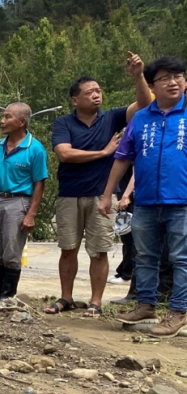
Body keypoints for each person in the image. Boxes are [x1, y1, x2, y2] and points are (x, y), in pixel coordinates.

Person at [45, 52, 151, 316]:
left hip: (103, 195)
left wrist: (139, 76)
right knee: (67, 248)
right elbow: (64, 153)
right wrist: (104, 152)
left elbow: (144, 103)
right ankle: (66, 298)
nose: (96, 94)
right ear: (74, 99)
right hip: (69, 194)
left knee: (99, 250)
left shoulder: (112, 117)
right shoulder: (63, 123)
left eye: (99, 91)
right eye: (90, 91)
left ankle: (96, 302)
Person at [99, 56, 187, 337]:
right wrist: (106, 195)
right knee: (145, 257)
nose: (173, 82)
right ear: (152, 85)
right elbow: (123, 157)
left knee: (181, 258)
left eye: (178, 76)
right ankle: (145, 305)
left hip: (182, 201)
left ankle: (178, 311)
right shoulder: (141, 118)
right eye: (164, 78)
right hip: (147, 201)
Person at [0, 103, 48, 301]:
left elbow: (39, 183)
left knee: (11, 249)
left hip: (17, 202)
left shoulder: (35, 149)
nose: (2, 121)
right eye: (3, 116)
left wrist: (31, 214)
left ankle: (7, 295)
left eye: (7, 117)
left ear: (22, 122)